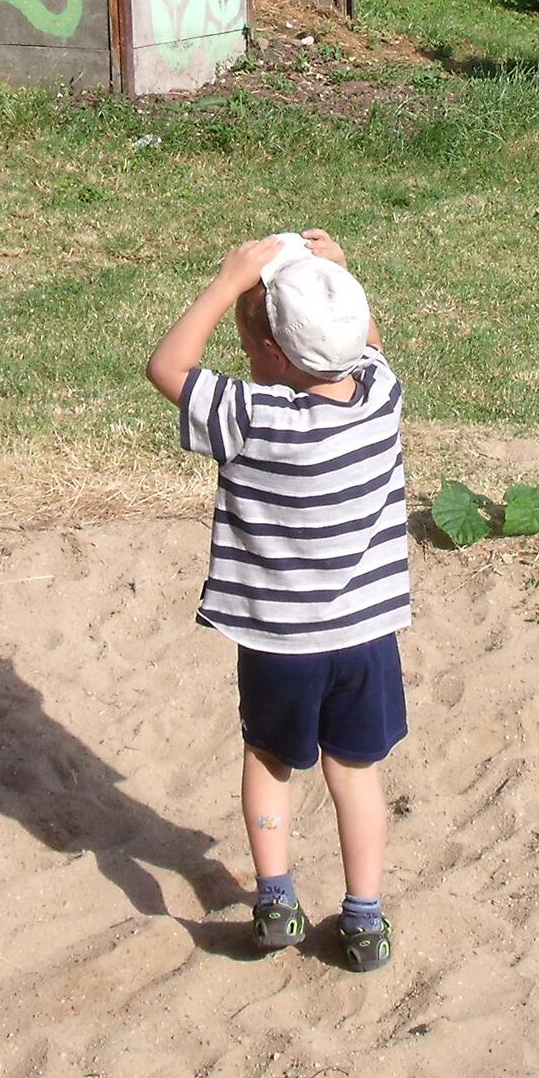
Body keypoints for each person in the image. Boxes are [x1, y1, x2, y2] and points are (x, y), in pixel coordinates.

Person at [146, 230, 409, 972]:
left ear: (275, 356)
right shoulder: (381, 397)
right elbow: (368, 345)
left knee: (268, 761)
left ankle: (275, 900)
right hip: (364, 638)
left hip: (279, 645)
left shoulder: (253, 418)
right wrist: (338, 275)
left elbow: (167, 367)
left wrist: (228, 282)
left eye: (251, 350)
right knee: (355, 774)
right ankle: (364, 919)